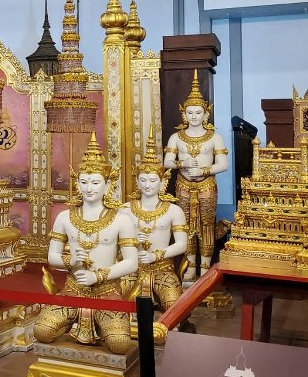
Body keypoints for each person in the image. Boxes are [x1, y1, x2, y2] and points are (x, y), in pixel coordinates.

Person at [34, 134, 139, 354]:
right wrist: (70, 261)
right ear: (77, 183)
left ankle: (100, 326)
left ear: (107, 185)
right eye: (83, 182)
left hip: (106, 291)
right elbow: (51, 257)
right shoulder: (64, 217)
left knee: (119, 345)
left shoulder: (121, 219)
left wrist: (97, 277)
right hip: (73, 289)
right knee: (41, 331)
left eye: (95, 182)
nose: (89, 188)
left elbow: (131, 263)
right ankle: (70, 323)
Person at [163, 70, 228, 279]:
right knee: (186, 224)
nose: (193, 117)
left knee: (206, 225)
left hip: (206, 185)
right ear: (184, 114)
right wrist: (181, 163)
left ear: (205, 114)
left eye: (198, 113)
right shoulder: (176, 137)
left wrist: (203, 170)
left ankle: (206, 267)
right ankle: (190, 267)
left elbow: (223, 164)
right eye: (189, 113)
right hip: (183, 184)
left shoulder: (214, 137)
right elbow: (166, 163)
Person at [121, 134, 188, 311]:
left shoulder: (174, 210)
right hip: (131, 267)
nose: (147, 185)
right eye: (142, 180)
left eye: (152, 180)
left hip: (162, 268)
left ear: (162, 181)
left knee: (175, 309)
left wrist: (155, 256)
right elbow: (113, 241)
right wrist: (132, 240)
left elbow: (182, 245)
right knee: (117, 306)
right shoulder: (125, 209)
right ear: (137, 181)